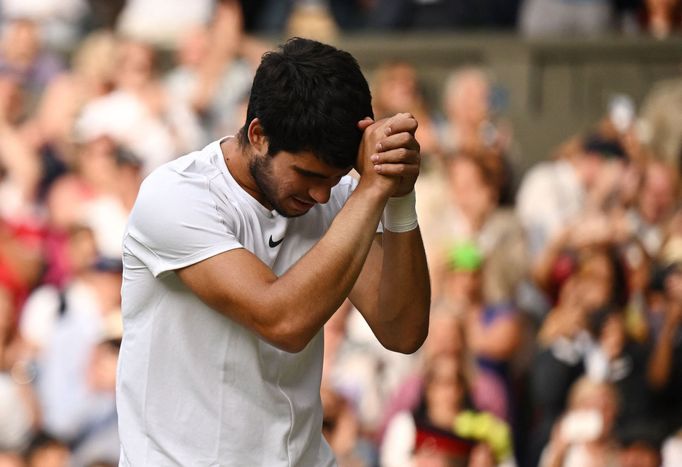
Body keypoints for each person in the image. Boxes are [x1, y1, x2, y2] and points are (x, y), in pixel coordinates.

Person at [116, 37, 431, 466]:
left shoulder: (339, 196)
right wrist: (371, 188)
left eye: (336, 176)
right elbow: (282, 320)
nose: (322, 195)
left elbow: (403, 331)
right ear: (258, 134)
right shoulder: (175, 196)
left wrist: (397, 196)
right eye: (307, 174)